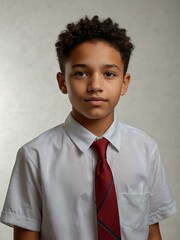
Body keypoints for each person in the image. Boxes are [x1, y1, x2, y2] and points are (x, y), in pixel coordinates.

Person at [0, 15, 177, 240]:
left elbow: (152, 230)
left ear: (124, 83)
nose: (95, 85)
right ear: (63, 82)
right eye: (81, 73)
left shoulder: (145, 149)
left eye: (109, 74)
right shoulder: (35, 156)